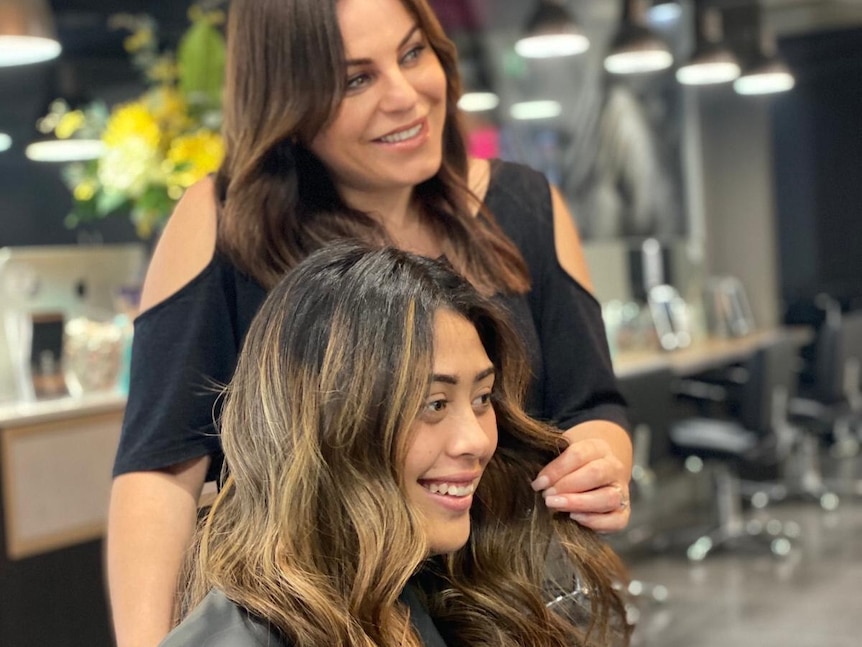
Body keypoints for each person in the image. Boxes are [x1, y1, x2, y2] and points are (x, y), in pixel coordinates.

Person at [107, 1, 633, 645]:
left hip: (514, 602)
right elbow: (160, 473)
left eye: (413, 54)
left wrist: (600, 461)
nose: (406, 96)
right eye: (356, 79)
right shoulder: (224, 226)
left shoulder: (521, 207)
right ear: (289, 104)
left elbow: (593, 404)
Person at [161, 243, 631, 647]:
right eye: (433, 404)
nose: (476, 441)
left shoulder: (437, 592)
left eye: (483, 398)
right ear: (327, 421)